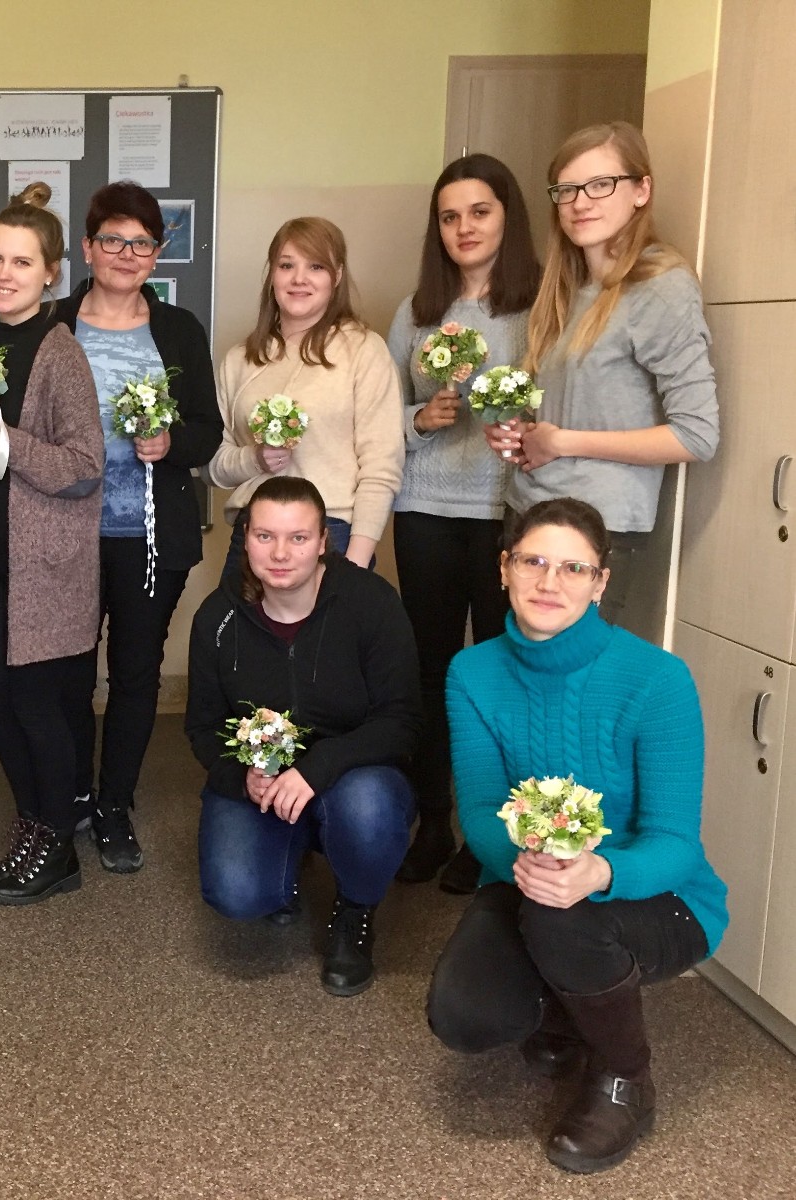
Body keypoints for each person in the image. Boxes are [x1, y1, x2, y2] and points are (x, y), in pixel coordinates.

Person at [428, 497, 727, 1174]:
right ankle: (569, 1011)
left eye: (573, 568)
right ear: (504, 568)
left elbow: (676, 842)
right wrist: (531, 863)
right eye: (532, 561)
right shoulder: (472, 672)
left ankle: (626, 1078)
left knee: (563, 920)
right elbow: (480, 808)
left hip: (662, 897)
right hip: (529, 878)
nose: (549, 581)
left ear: (600, 582)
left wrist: (599, 873)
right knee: (465, 1016)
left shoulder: (657, 679)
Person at [186, 476, 421, 996]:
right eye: (265, 536)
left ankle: (355, 909)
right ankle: (287, 863)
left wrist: (317, 769)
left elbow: (401, 720)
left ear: (322, 542)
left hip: (355, 774)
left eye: (298, 537)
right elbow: (202, 725)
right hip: (264, 779)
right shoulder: (218, 617)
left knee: (367, 812)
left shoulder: (371, 603)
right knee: (238, 894)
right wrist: (240, 776)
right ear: (245, 539)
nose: (280, 554)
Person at [486, 121, 719, 627]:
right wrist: (519, 433)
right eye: (567, 189)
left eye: (600, 184)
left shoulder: (661, 285)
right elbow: (572, 408)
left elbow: (696, 436)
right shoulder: (565, 288)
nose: (580, 202)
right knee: (523, 670)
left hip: (598, 531)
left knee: (579, 674)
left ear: (641, 190)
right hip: (528, 514)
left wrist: (562, 441)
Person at [55, 180, 224, 872]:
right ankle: (69, 794)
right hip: (67, 535)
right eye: (113, 240)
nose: (127, 254)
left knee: (134, 674)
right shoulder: (55, 323)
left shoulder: (179, 328)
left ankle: (114, 804)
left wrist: (170, 443)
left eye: (142, 243)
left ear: (157, 254)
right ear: (88, 247)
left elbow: (208, 430)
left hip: (150, 538)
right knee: (68, 672)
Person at [387, 154, 541, 894]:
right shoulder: (417, 313)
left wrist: (523, 425)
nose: (464, 228)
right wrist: (422, 419)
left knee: (503, 673)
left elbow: (562, 405)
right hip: (425, 511)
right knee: (432, 673)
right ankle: (433, 825)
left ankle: (493, 837)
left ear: (508, 216)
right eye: (449, 217)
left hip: (507, 515)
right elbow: (382, 417)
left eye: (479, 212)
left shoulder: (541, 306)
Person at [0, 182, 104, 905]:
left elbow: (85, 466)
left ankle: (59, 847)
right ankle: (32, 829)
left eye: (21, 261)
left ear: (51, 273)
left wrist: (9, 440)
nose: (4, 272)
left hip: (42, 569)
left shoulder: (59, 350)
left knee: (38, 710)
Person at [208, 217, 404, 570]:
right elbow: (212, 466)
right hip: (253, 532)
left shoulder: (363, 350)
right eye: (287, 266)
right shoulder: (240, 359)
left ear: (337, 275)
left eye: (316, 266)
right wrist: (255, 459)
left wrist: (356, 562)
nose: (299, 278)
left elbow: (381, 465)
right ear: (272, 274)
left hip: (334, 531)